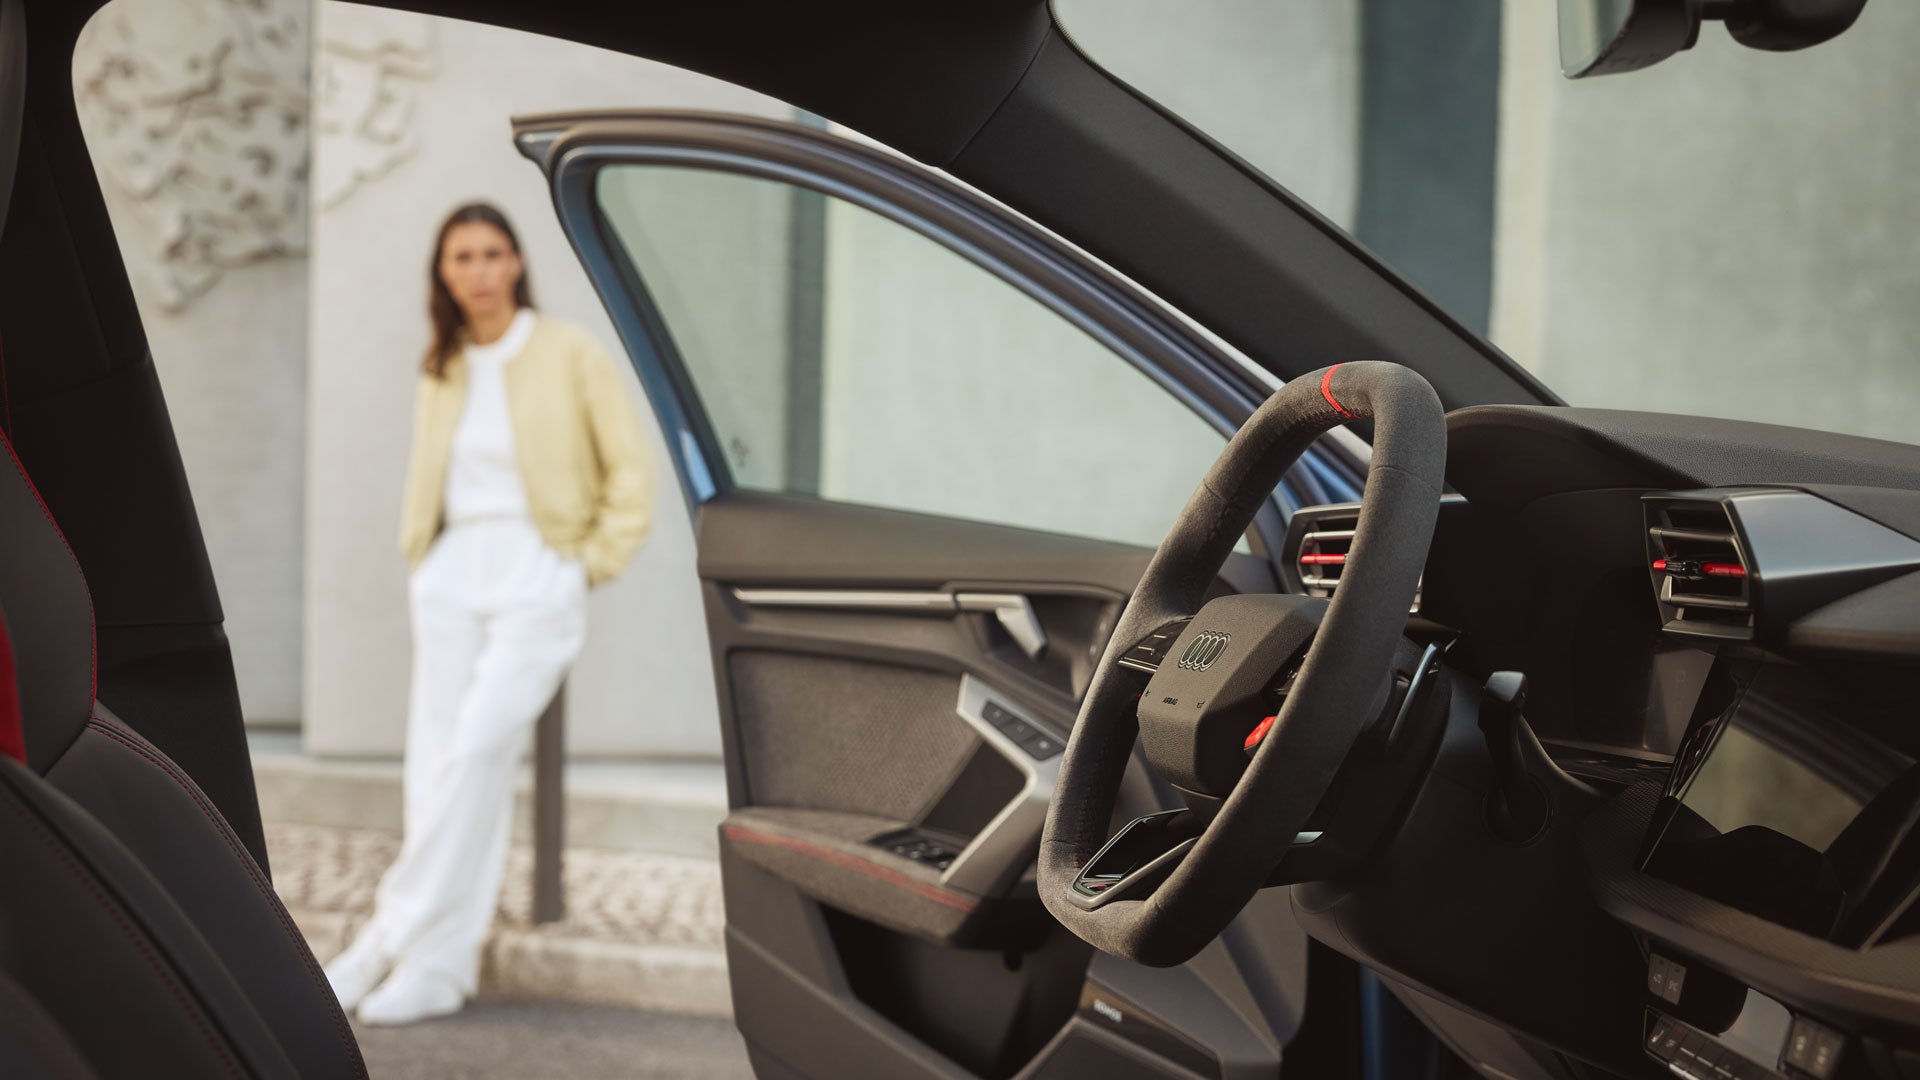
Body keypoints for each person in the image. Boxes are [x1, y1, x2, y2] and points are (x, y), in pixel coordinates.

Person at [324, 202, 654, 1025]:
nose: (478, 269)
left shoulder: (568, 352)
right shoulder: (442, 363)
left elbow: (630, 473)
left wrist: (585, 567)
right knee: (435, 767)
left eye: (492, 253)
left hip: (536, 569)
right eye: (461, 256)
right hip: (449, 573)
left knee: (475, 754)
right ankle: (439, 965)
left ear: (516, 263)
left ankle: (381, 938)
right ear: (443, 272)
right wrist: (421, 558)